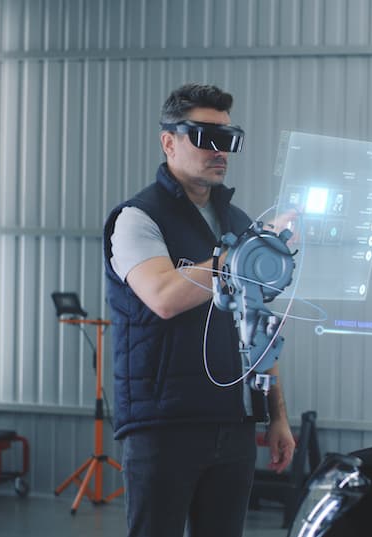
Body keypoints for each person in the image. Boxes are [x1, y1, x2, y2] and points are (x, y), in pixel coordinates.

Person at [103, 83, 295, 537]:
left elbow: (260, 326)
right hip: (164, 425)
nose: (220, 151)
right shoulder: (137, 219)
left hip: (233, 422)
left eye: (228, 139)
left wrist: (278, 414)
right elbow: (165, 297)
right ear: (169, 142)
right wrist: (238, 258)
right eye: (205, 137)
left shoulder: (240, 223)